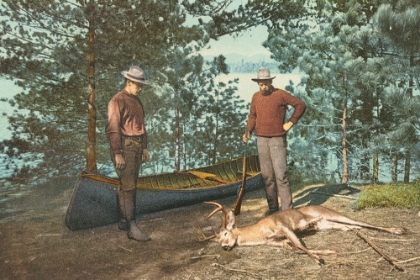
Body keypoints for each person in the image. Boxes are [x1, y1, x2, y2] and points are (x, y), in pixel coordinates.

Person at [243, 68, 306, 215]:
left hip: (277, 139)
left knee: (281, 176)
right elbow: (252, 116)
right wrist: (248, 132)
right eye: (260, 84)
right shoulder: (256, 97)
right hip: (261, 139)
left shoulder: (280, 94)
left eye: (265, 83)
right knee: (267, 177)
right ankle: (273, 210)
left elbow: (300, 105)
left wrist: (290, 123)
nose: (263, 87)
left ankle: (287, 211)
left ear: (271, 82)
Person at [106, 66, 151, 242]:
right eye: (137, 85)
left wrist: (145, 147)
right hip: (124, 146)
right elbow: (113, 130)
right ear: (129, 82)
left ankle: (124, 221)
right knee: (128, 187)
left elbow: (141, 126)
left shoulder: (137, 101)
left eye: (141, 85)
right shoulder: (116, 101)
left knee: (128, 185)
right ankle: (132, 227)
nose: (140, 88)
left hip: (137, 146)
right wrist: (117, 153)